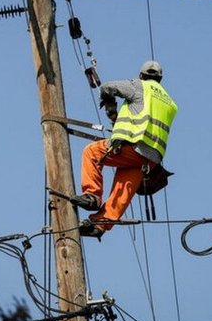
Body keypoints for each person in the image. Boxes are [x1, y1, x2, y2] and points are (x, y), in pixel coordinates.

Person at [72, 60, 178, 239]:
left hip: (134, 147)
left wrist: (109, 104)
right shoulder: (170, 102)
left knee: (91, 152)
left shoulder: (140, 86)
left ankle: (92, 196)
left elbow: (108, 87)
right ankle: (100, 224)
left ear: (142, 75)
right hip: (151, 159)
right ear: (160, 79)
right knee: (124, 188)